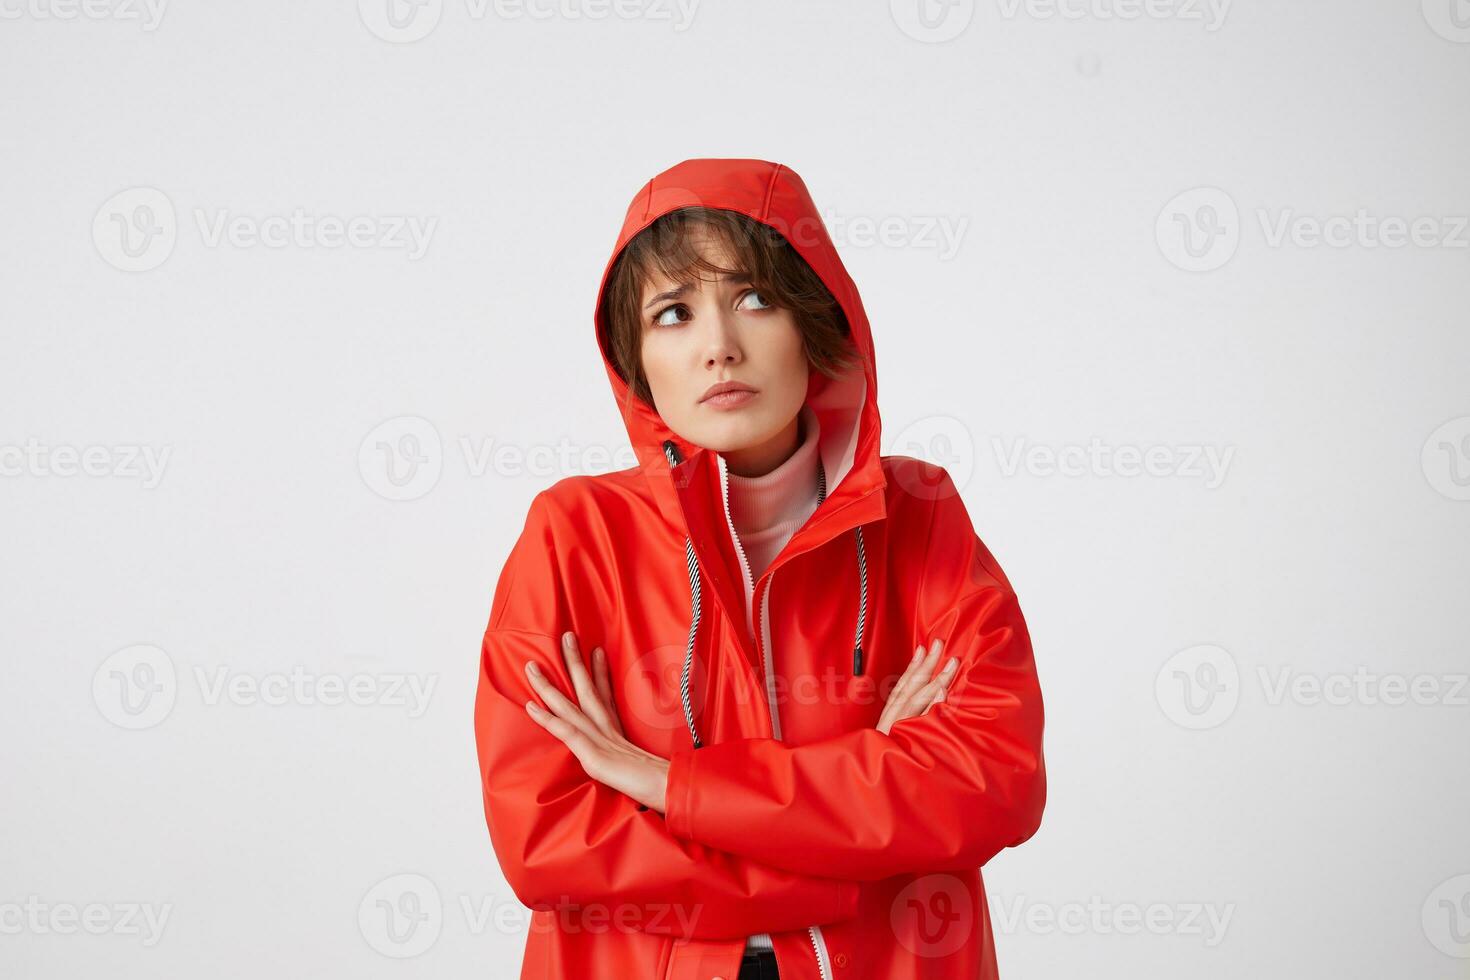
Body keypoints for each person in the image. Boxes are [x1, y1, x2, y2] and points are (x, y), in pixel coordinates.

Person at [474, 158, 1046, 980]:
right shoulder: (574, 533)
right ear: (635, 361)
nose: (718, 348)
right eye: (673, 313)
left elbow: (994, 781)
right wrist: (859, 808)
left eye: (754, 298)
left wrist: (667, 785)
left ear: (817, 320)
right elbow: (547, 840)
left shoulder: (920, 513)